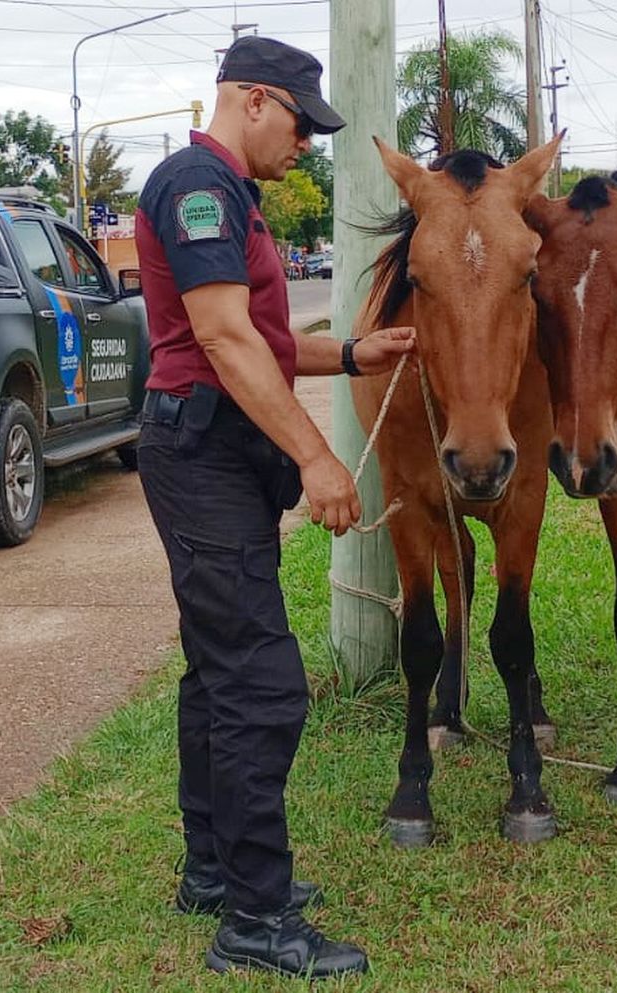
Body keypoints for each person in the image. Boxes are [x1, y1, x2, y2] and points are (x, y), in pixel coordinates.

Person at [133, 35, 413, 980]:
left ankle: (213, 869)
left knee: (215, 672)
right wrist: (320, 457)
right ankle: (254, 920)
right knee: (261, 685)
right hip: (203, 449)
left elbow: (259, 336)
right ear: (254, 100)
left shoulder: (228, 192)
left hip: (213, 448)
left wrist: (354, 354)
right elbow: (219, 337)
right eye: (300, 124)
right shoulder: (197, 187)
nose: (305, 145)